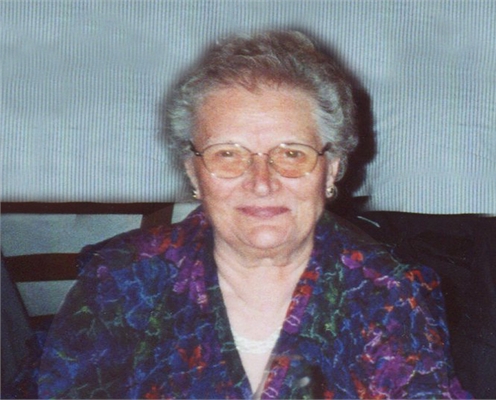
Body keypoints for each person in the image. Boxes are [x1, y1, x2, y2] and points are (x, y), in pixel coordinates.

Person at [38, 30, 470, 399]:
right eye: (228, 154)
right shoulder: (121, 279)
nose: (261, 182)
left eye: (292, 153)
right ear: (193, 172)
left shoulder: (388, 295)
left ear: (331, 169)